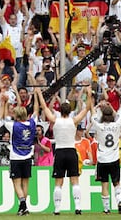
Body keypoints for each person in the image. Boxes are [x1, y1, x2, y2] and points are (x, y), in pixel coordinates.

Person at [37, 85, 92, 215]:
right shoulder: (74, 121)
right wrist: (89, 95)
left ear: (60, 111)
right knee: (75, 181)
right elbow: (87, 109)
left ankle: (57, 209)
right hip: (72, 151)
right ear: (70, 110)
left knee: (58, 182)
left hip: (60, 152)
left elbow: (44, 107)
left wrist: (39, 94)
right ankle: (78, 207)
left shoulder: (55, 120)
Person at [90, 84, 121, 214]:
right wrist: (113, 105)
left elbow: (92, 115)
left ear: (102, 114)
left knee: (104, 184)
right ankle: (119, 201)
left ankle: (106, 209)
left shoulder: (99, 126)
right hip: (114, 158)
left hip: (102, 159)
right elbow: (120, 113)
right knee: (116, 183)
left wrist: (97, 107)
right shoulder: (117, 124)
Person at [3, 93, 39, 216]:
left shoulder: (13, 125)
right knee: (25, 183)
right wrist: (37, 96)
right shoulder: (32, 124)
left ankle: (23, 204)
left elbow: (4, 118)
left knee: (16, 183)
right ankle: (23, 208)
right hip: (28, 156)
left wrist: (5, 104)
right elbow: (35, 112)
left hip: (16, 157)